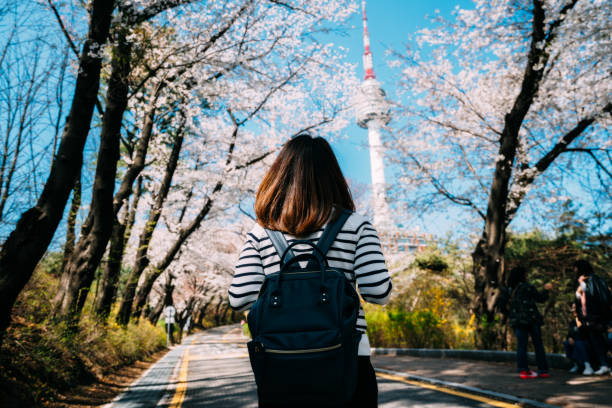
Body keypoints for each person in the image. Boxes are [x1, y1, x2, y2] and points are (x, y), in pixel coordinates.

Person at [228, 134, 392, 407]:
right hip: (348, 364)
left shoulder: (261, 232)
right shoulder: (357, 226)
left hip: (280, 366)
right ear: (332, 176)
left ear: (279, 177)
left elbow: (239, 299)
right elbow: (378, 293)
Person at [507, 266, 552, 379]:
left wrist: (512, 315)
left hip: (518, 321)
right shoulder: (528, 287)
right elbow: (540, 299)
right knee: (538, 345)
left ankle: (524, 371)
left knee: (521, 345)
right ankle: (543, 370)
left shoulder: (508, 289)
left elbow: (502, 305)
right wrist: (546, 290)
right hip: (532, 319)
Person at [573, 259, 611, 375]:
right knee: (596, 341)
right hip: (588, 319)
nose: (574, 270)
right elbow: (579, 300)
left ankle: (606, 364)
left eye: (576, 267)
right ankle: (604, 364)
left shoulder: (595, 280)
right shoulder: (580, 282)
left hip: (599, 317)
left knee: (606, 340)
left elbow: (602, 298)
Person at [563, 303, 593, 375]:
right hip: (576, 341)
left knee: (578, 343)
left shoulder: (585, 319)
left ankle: (587, 365)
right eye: (572, 309)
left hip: (586, 342)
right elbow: (570, 333)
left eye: (575, 308)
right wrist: (570, 338)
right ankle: (576, 364)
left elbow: (585, 333)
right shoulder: (573, 322)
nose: (573, 311)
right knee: (566, 343)